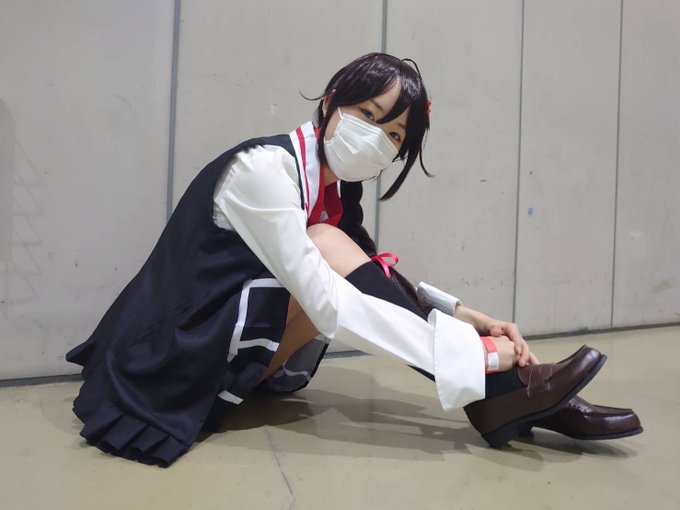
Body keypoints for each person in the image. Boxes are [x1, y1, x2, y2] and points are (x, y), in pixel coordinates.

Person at [65, 53, 641, 467]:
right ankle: (506, 395)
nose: (376, 136)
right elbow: (331, 305)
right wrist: (478, 357)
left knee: (338, 248)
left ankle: (509, 399)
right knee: (324, 247)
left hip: (227, 346)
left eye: (393, 136)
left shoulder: (333, 192)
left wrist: (464, 316)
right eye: (366, 113)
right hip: (168, 361)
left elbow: (374, 277)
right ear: (330, 103)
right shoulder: (264, 171)